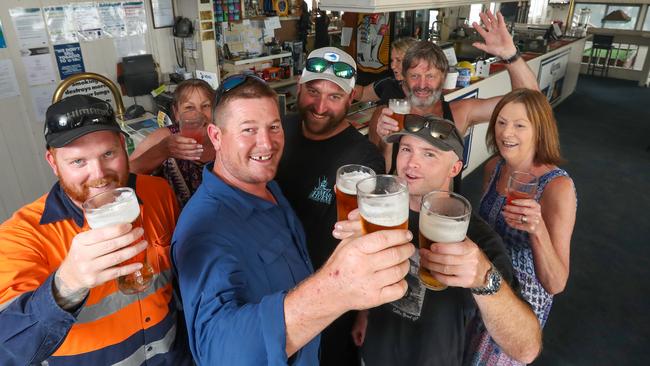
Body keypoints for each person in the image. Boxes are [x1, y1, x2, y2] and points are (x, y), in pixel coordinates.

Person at [171, 74, 414, 365]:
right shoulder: (204, 229)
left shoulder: (267, 185)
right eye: (248, 130)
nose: (266, 144)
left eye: (273, 127)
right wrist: (334, 289)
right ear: (216, 136)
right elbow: (217, 352)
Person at [334, 114, 542, 365]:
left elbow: (527, 348)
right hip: (373, 355)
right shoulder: (380, 215)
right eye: (407, 149)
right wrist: (364, 314)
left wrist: (484, 277)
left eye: (429, 154)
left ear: (454, 168)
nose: (411, 163)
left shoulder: (477, 240)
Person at [0, 95, 192, 365]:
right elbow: (9, 349)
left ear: (124, 147)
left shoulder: (157, 193)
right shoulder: (21, 236)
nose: (99, 174)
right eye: (78, 161)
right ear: (53, 163)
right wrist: (66, 285)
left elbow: (181, 282)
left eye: (108, 154)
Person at [275, 47, 385, 365]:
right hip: (272, 292)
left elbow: (369, 239)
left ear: (350, 100)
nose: (320, 106)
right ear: (299, 87)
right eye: (313, 91)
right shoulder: (278, 132)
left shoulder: (362, 160)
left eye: (334, 97)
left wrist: (365, 311)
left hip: (330, 299)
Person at [468, 88, 577, 365]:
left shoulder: (557, 187)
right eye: (501, 122)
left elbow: (555, 283)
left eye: (519, 125)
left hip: (518, 302)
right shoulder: (493, 167)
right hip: (484, 282)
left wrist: (537, 230)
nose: (506, 133)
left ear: (539, 130)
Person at [373, 11, 539, 172]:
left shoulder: (460, 112)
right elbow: (378, 171)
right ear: (405, 77)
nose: (422, 84)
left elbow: (532, 102)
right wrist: (385, 141)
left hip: (444, 201)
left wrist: (510, 55)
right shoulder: (387, 115)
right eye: (415, 75)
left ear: (444, 78)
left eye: (430, 76)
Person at [129, 79, 216, 207]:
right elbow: (128, 174)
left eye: (206, 106)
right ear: (176, 113)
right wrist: (162, 150)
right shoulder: (165, 136)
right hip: (176, 223)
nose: (199, 114)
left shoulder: (223, 136)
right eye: (189, 107)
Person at [353, 37, 418, 105]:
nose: (392, 66)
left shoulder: (426, 92)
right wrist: (343, 85)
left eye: (398, 60)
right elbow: (362, 93)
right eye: (392, 60)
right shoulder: (389, 84)